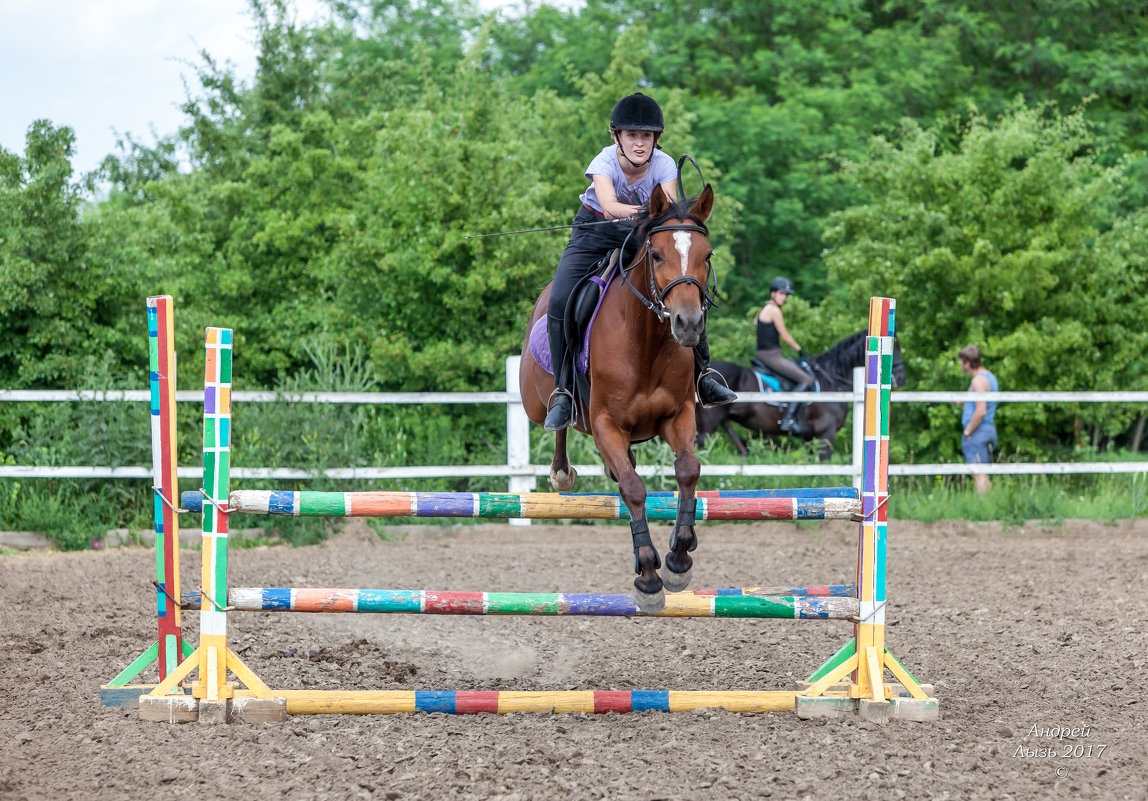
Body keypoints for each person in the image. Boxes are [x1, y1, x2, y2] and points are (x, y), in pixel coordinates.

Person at [543, 92, 736, 431]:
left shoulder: (662, 164)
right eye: (632, 135)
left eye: (646, 136)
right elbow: (608, 207)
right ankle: (563, 392)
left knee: (685, 285)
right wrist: (651, 214)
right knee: (559, 298)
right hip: (595, 231)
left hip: (642, 234)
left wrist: (664, 221)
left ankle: (703, 374)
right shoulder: (603, 162)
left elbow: (672, 213)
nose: (639, 143)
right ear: (617, 136)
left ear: (655, 139)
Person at [756, 277, 813, 433]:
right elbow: (785, 336)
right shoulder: (774, 310)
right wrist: (800, 350)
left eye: (787, 294)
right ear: (773, 293)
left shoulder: (764, 308)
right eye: (782, 293)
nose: (785, 297)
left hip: (764, 354)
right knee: (807, 379)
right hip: (771, 356)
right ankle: (788, 418)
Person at [958, 345, 998, 495]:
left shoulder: (978, 381)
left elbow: (981, 411)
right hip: (987, 429)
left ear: (967, 362)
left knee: (978, 474)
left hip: (978, 431)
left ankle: (986, 509)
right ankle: (989, 508)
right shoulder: (989, 377)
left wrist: (968, 431)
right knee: (982, 472)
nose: (960, 364)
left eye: (961, 361)